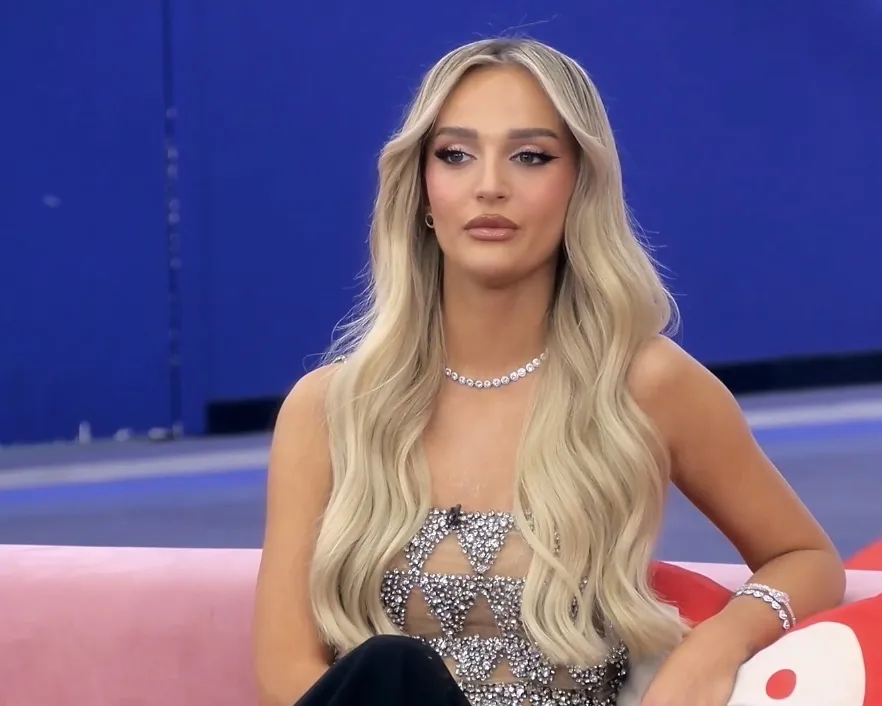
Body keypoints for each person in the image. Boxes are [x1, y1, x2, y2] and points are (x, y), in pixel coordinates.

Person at [253, 37, 846, 706]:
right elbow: (284, 676)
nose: (489, 185)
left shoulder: (644, 385)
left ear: (579, 186)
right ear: (421, 192)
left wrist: (713, 648)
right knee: (392, 670)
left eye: (530, 156)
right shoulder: (329, 409)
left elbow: (807, 558)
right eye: (455, 155)